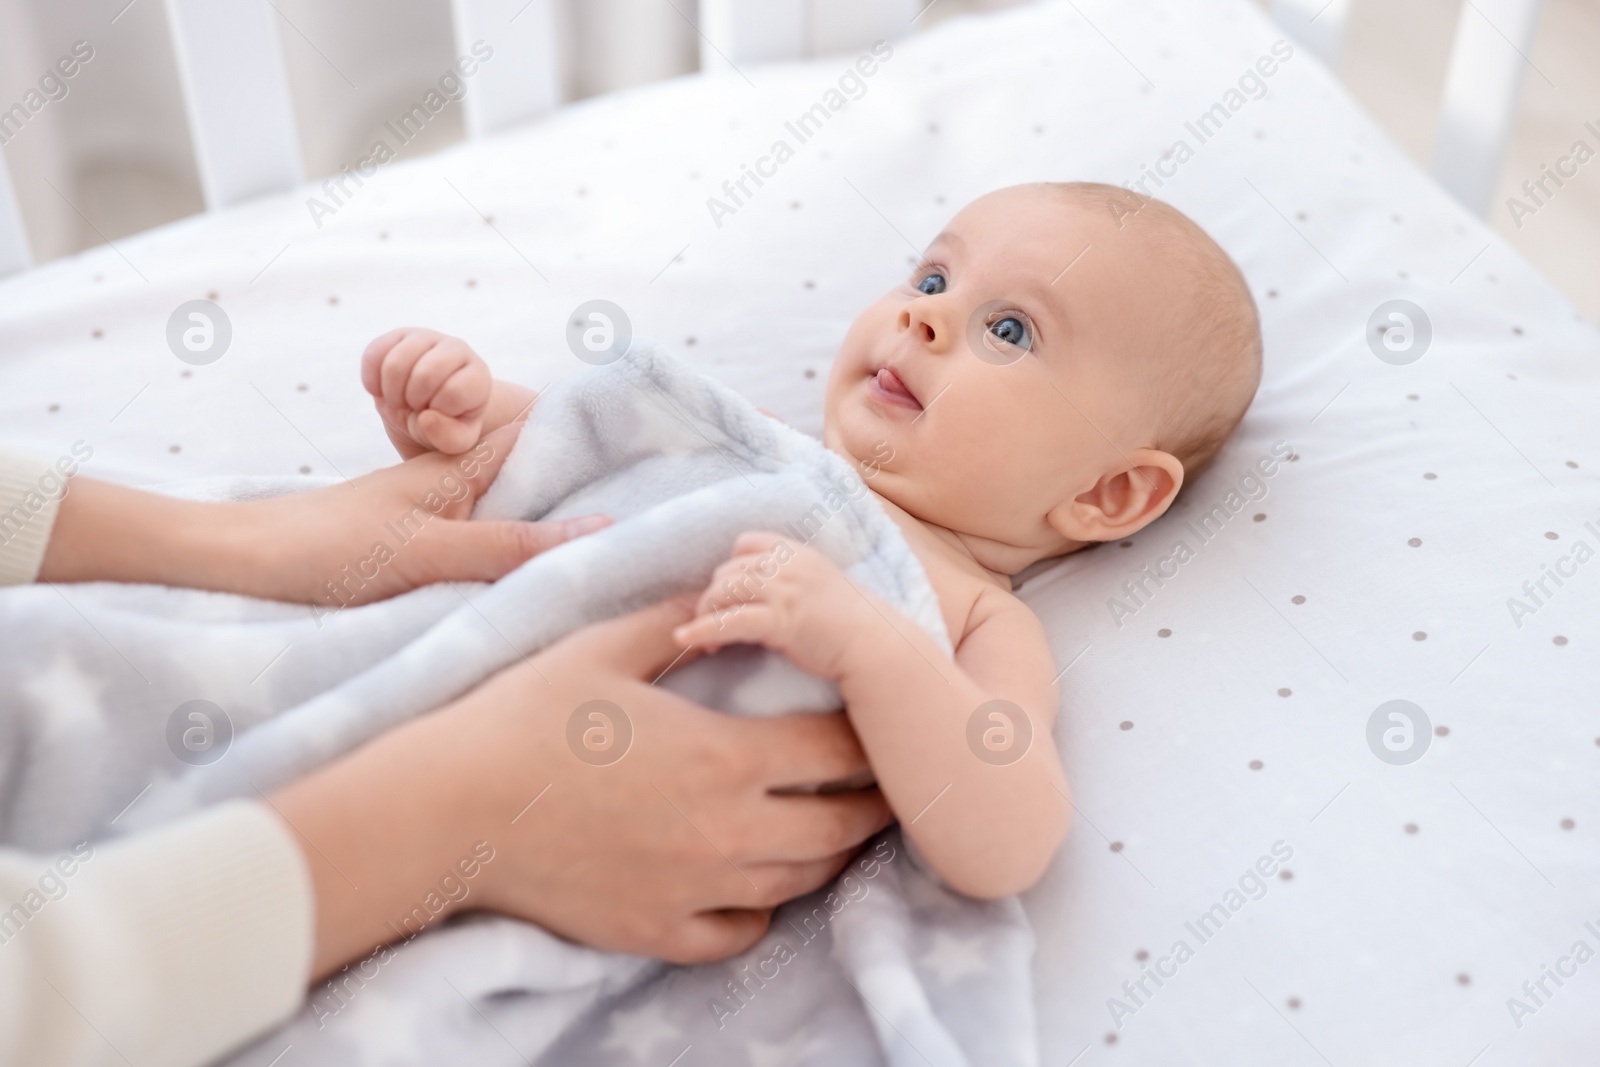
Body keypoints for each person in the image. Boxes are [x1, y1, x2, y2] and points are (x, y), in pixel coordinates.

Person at [0, 433, 891, 1067]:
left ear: (1044, 505)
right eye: (928, 276)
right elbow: (565, 435)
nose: (924, 319)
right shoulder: (757, 445)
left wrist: (240, 540)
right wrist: (466, 807)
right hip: (458, 694)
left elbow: (1003, 839)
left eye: (1012, 332)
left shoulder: (970, 603)